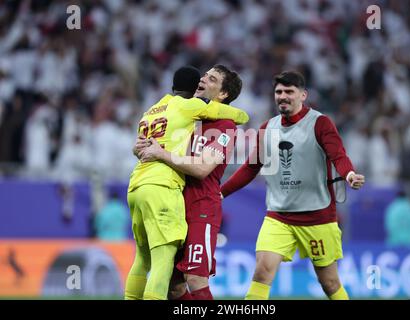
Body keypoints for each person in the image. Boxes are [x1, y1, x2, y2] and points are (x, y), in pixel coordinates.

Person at [220, 71, 365, 300]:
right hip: (279, 216)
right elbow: (250, 167)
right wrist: (220, 193)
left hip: (317, 216)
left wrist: (349, 175)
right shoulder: (267, 128)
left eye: (289, 91)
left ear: (303, 95)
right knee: (262, 271)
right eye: (279, 92)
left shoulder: (320, 123)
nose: (283, 96)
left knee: (329, 282)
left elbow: (339, 155)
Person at [125, 66, 249, 300]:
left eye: (211, 79)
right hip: (173, 200)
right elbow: (149, 141)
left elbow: (202, 168)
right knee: (174, 285)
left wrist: (162, 154)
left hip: (201, 207)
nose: (202, 79)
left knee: (194, 278)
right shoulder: (187, 115)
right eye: (204, 75)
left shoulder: (225, 127)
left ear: (223, 94)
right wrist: (140, 148)